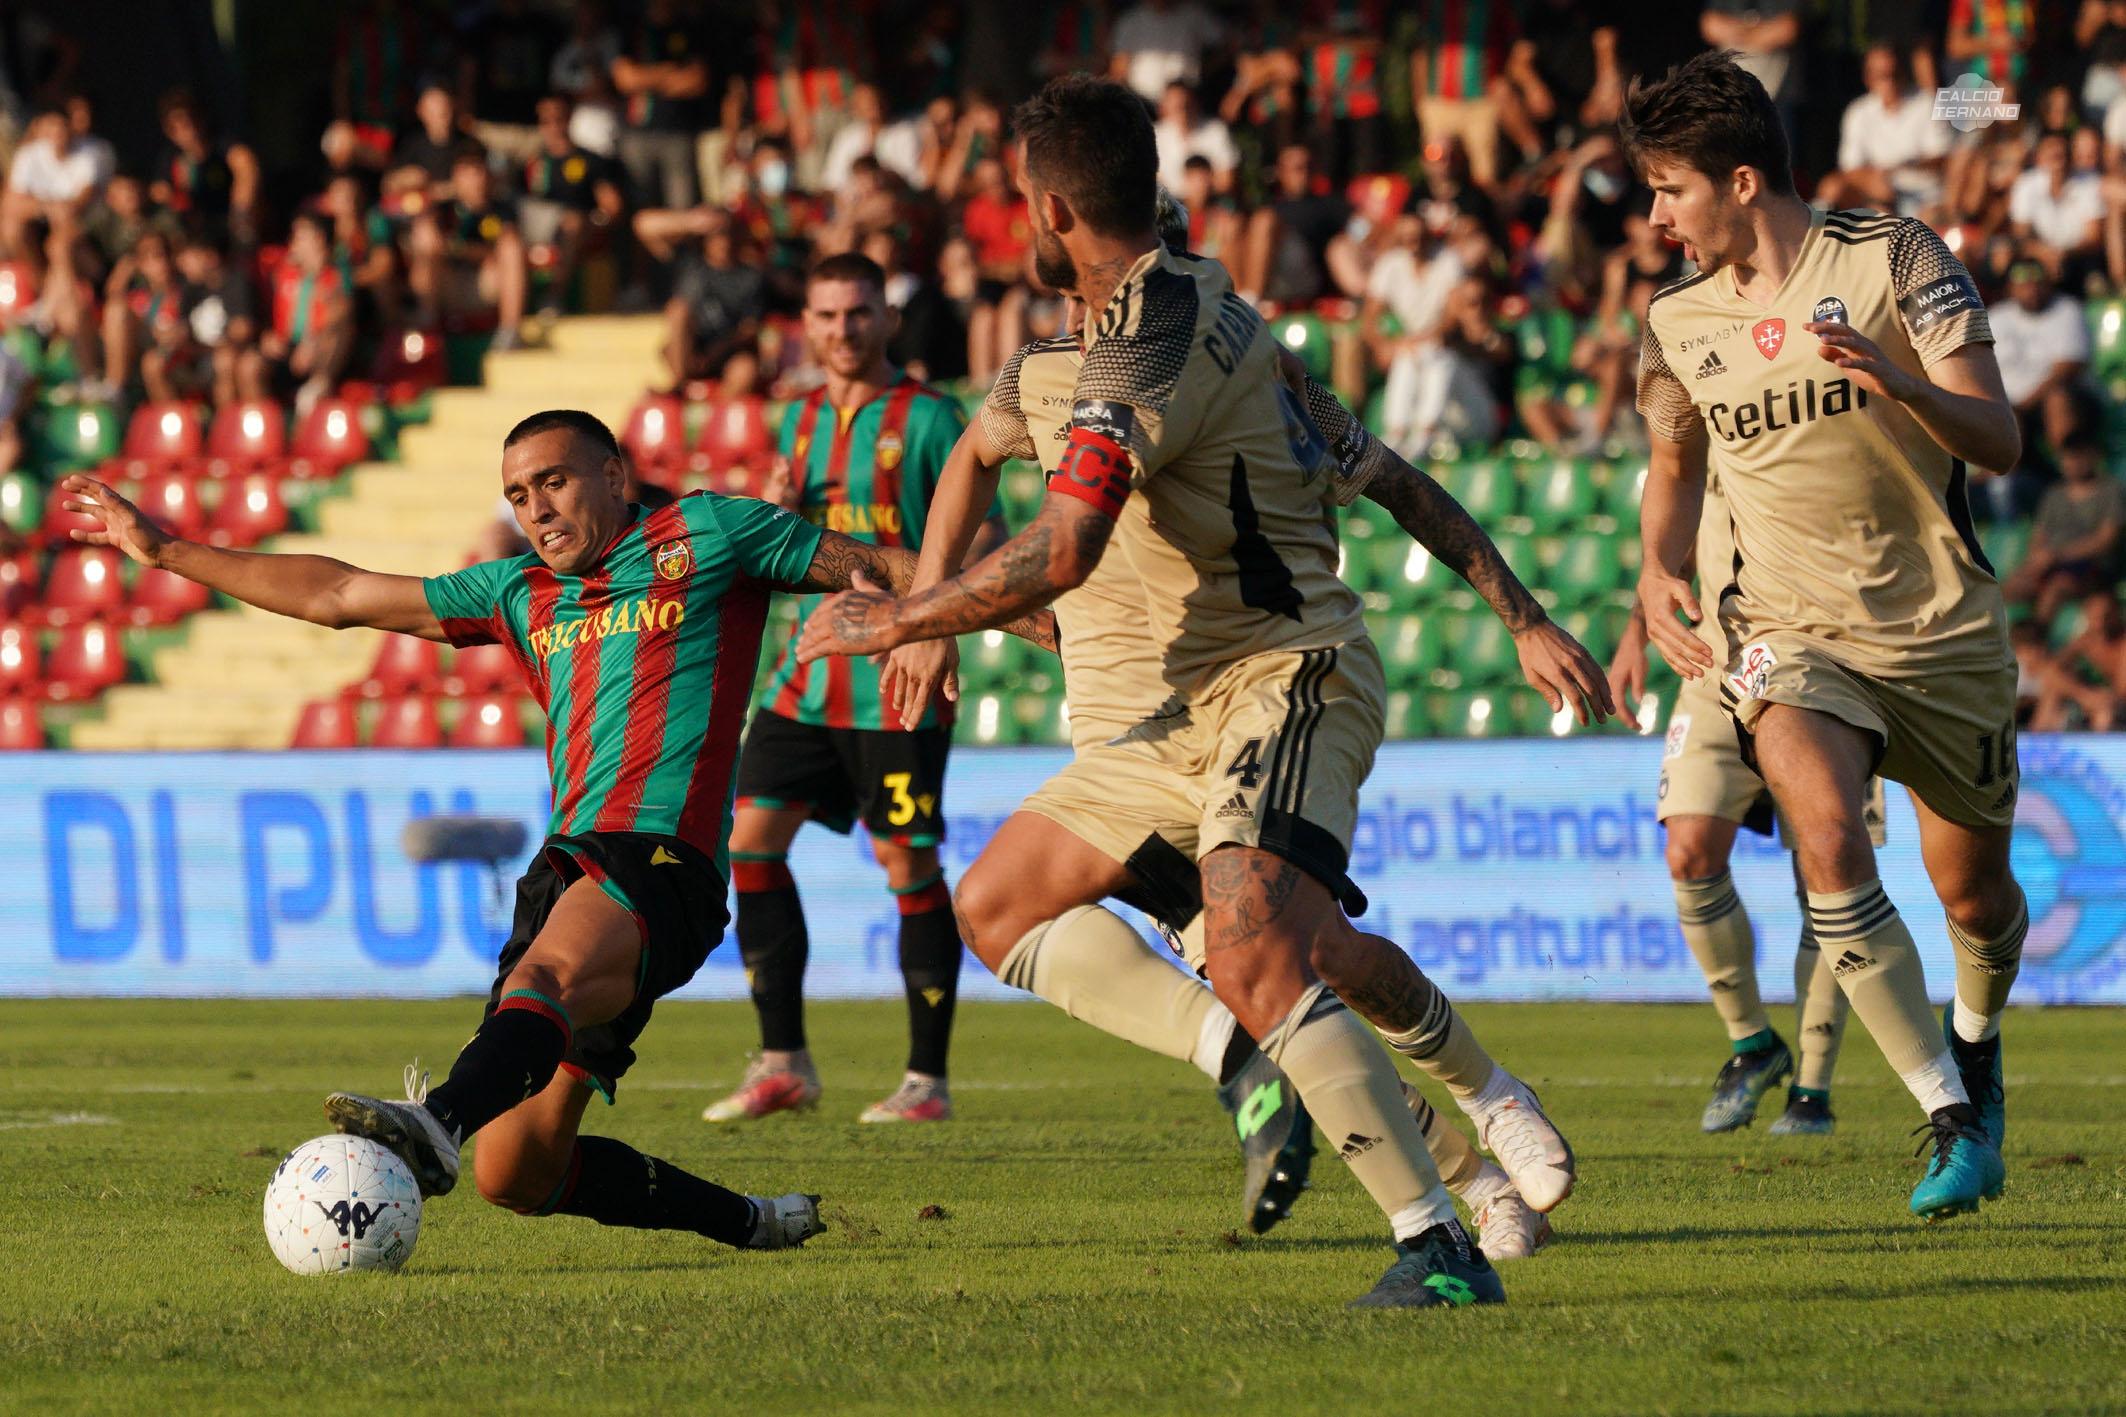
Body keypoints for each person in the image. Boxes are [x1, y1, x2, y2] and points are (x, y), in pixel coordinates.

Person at [797, 76, 1612, 1308]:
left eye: (1020, 199)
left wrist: (899, 616)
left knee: (1271, 951)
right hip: (1152, 725)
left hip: (1279, 679)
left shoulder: (1179, 332)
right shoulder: (1055, 367)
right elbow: (973, 453)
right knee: (1005, 906)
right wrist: (932, 615)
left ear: (1051, 206)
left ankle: (1437, 1231)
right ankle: (1322, 1100)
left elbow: (1361, 484)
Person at [55, 408, 1050, 1249]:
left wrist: (1026, 617)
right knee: (518, 1171)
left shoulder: (711, 534)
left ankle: (432, 1119)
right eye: (519, 495)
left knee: (539, 987)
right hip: (568, 863)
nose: (536, 509)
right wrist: (167, 551)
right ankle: (750, 1221)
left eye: (554, 482)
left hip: (661, 857)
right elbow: (339, 595)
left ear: (614, 475)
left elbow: (879, 564)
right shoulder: (518, 593)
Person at [1624, 50, 2025, 1221]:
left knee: (1972, 901)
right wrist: (1652, 567)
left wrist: (1898, 383)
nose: (1655, 219)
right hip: (1784, 628)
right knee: (1819, 827)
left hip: (1940, 631)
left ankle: (1976, 1042)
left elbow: (1995, 438)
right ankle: (1947, 1115)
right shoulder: (1673, 318)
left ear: (1741, 180)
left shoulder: (1896, 258)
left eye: (1669, 191)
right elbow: (1670, 460)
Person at [701, 253, 989, 1128]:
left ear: (886, 319)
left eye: (858, 312)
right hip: (805, 675)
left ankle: (925, 1082)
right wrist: (775, 506)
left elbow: (987, 548)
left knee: (906, 863)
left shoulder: (935, 419)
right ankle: (783, 1059)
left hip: (896, 680)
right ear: (809, 324)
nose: (841, 329)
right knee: (748, 843)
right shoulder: (798, 421)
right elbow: (792, 549)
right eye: (825, 315)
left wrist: (931, 623)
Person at [1607, 471, 1874, 1137]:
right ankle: (1753, 1044)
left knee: (1828, 872)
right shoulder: (1700, 411)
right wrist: (1637, 631)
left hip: (1828, 674)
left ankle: (1813, 1089)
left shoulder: (1824, 414)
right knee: (1689, 849)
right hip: (1713, 670)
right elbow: (1668, 533)